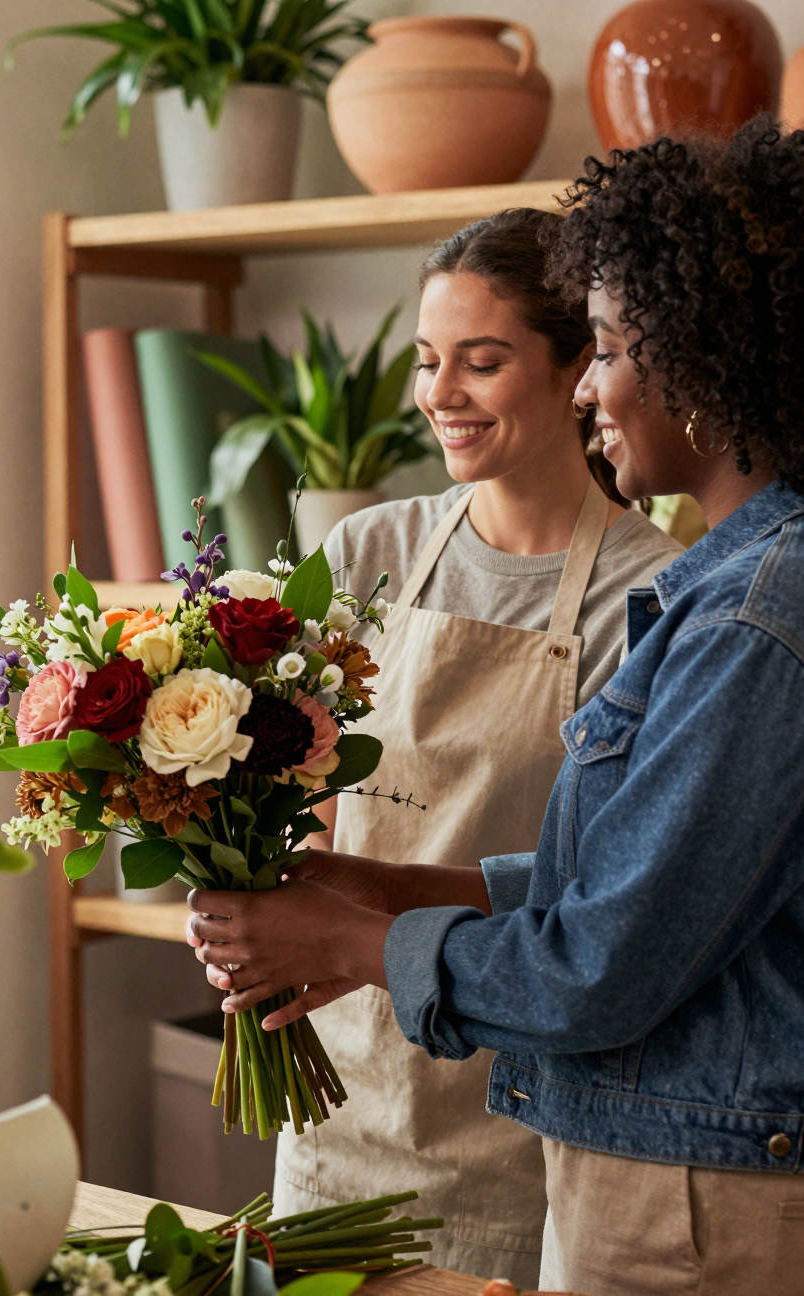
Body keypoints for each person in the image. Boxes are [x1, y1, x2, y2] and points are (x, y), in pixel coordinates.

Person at [187, 120, 804, 1296]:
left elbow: (601, 964)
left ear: (706, 359)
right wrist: (395, 888)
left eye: (606, 348)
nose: (599, 385)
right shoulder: (773, 577)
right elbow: (641, 888)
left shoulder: (757, 619)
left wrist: (353, 942)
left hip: (719, 1216)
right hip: (696, 1192)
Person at [272, 207, 683, 1287]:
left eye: (482, 361)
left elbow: (602, 896)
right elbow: (310, 816)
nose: (439, 394)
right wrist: (247, 907)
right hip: (337, 1105)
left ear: (578, 368)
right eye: (427, 362)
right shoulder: (368, 552)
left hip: (518, 1126)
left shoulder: (646, 595)